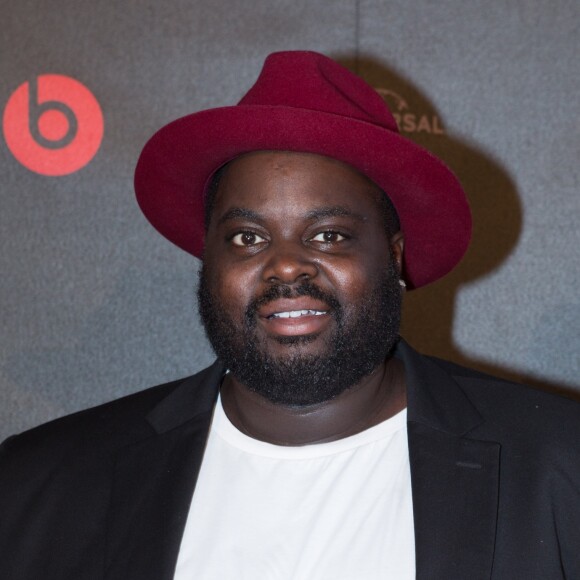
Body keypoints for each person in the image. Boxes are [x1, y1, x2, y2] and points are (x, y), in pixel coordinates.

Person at [0, 51, 579, 580]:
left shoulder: (558, 467)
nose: (284, 267)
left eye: (329, 235)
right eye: (248, 237)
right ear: (208, 261)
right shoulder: (37, 485)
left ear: (395, 256)